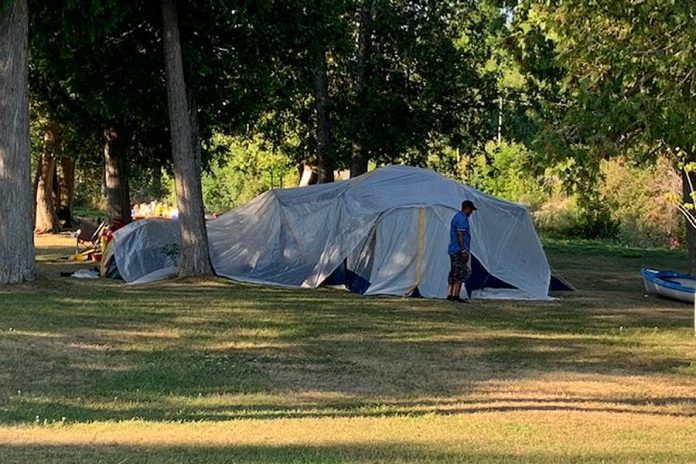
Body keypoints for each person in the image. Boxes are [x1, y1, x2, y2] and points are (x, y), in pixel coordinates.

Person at [447, 200, 476, 302]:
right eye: (471, 210)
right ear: (466, 208)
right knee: (461, 272)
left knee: (454, 272)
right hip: (458, 250)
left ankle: (450, 294)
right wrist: (463, 250)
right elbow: (460, 235)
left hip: (453, 250)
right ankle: (456, 295)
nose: (471, 212)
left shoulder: (457, 217)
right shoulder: (462, 219)